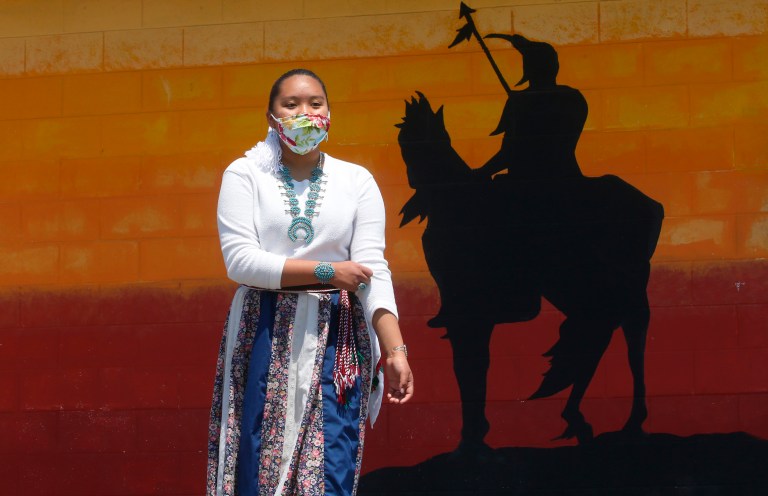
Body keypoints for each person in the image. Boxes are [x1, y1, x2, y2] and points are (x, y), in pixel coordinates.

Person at [206, 68, 414, 496]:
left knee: (332, 461)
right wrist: (328, 271)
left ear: (329, 113)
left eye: (315, 103)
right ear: (271, 117)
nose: (305, 113)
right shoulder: (245, 175)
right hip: (264, 329)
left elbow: (373, 267)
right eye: (292, 104)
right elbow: (240, 261)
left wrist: (394, 350)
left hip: (338, 335)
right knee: (258, 457)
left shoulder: (356, 181)